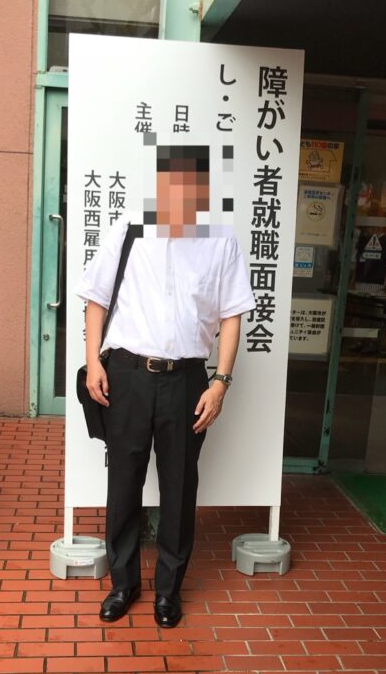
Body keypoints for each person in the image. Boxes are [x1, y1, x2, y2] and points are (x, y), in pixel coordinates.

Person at [75, 145, 256, 628]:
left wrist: (220, 382)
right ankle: (123, 584)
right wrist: (93, 363)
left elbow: (232, 315)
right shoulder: (130, 230)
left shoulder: (220, 241)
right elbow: (95, 298)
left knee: (179, 487)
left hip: (187, 380)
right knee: (124, 482)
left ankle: (168, 592)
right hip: (128, 376)